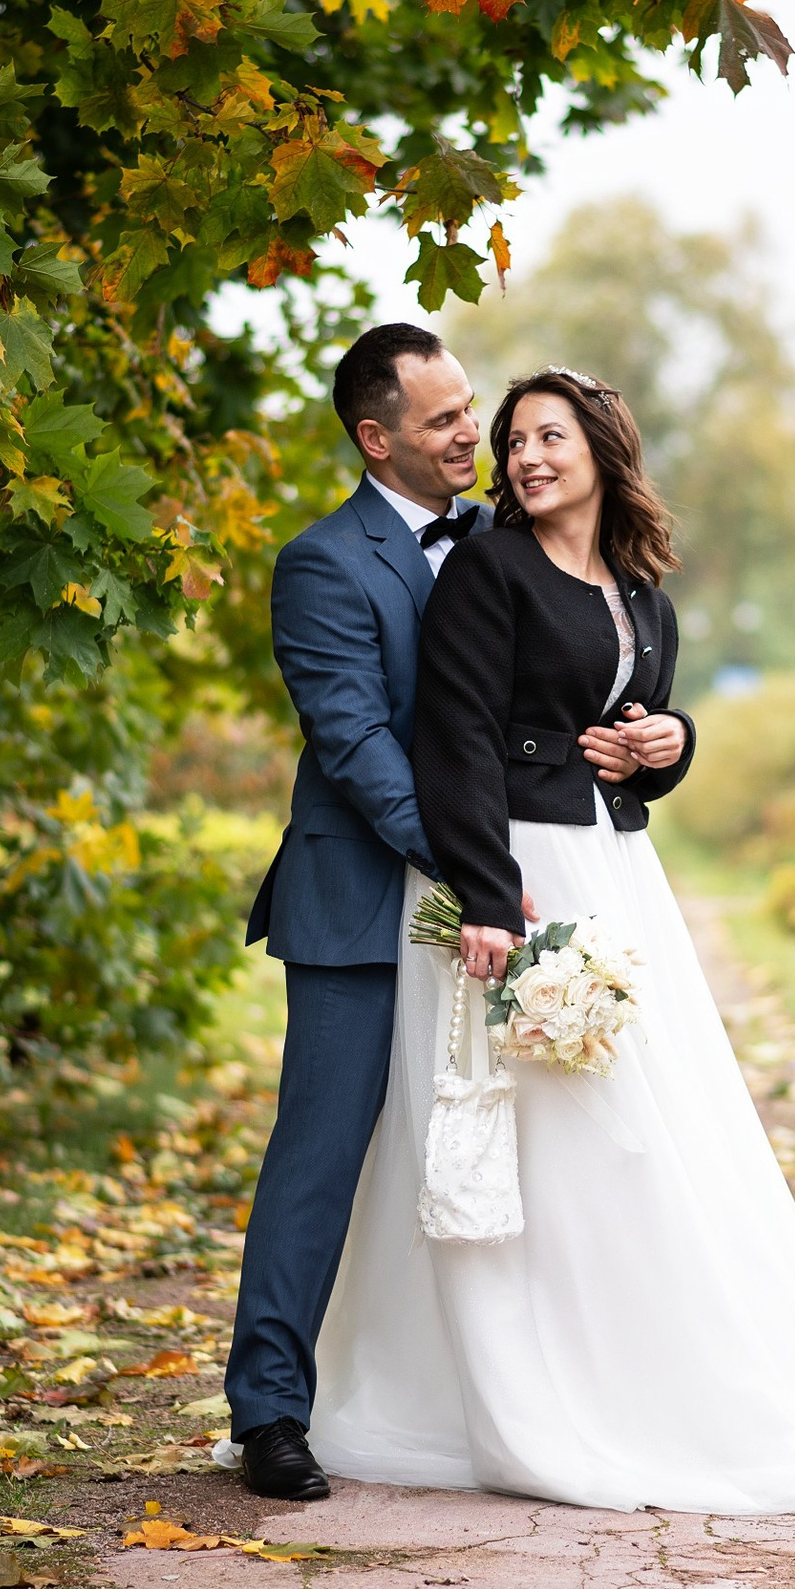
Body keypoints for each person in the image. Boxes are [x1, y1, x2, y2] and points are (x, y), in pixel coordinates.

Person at [304, 367, 795, 1513]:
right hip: (518, 877)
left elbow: (642, 716)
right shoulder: (488, 571)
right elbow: (457, 740)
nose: (524, 458)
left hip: (616, 872)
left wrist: (671, 736)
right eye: (512, 442)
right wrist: (492, 905)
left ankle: (662, 1377)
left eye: (547, 436)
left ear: (603, 448)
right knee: (552, 1134)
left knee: (648, 1122)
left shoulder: (639, 587)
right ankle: (532, 1390)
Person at [224, 323, 499, 1501]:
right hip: (356, 899)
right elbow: (354, 740)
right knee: (320, 1158)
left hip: (484, 900)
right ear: (375, 437)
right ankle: (269, 1413)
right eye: (442, 421)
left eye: (471, 408)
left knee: (499, 1149)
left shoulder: (507, 541)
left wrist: (664, 740)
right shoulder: (321, 563)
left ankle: (490, 1397)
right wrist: (467, 863)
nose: (469, 435)